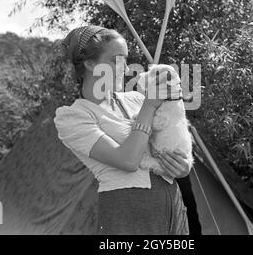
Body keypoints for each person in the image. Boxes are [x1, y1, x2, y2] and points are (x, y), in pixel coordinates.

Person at [54, 25, 192, 235]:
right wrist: (150, 105)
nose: (126, 69)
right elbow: (127, 161)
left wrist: (183, 167)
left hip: (172, 204)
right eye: (117, 60)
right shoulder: (73, 116)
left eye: (126, 60)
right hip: (129, 211)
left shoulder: (137, 99)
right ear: (90, 63)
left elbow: (171, 142)